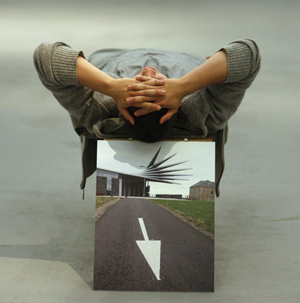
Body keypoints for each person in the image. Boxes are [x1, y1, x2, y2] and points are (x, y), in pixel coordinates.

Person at [33, 39, 261, 196]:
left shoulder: (100, 106)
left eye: (138, 85)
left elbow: (45, 55)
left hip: (114, 56)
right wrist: (183, 86)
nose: (149, 71)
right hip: (185, 58)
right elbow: (249, 53)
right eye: (156, 86)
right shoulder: (202, 110)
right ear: (173, 109)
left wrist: (111, 86)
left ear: (123, 108)